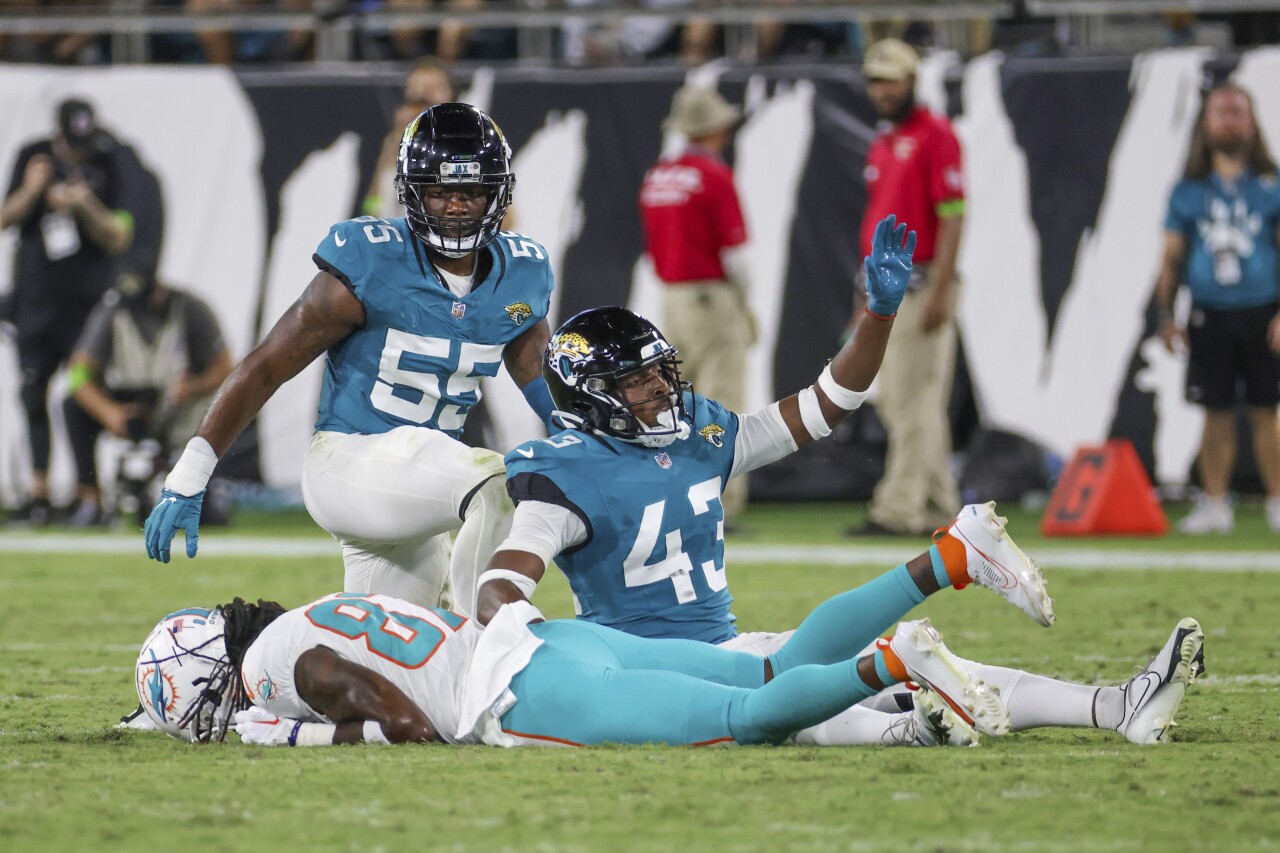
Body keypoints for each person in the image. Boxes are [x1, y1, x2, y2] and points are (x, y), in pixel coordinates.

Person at [472, 219, 1203, 746]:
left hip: (736, 645)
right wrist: (517, 631)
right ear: (595, 397)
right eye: (637, 382)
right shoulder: (563, 471)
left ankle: (1113, 704)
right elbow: (507, 579)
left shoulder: (698, 433)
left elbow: (826, 405)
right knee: (831, 702)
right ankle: (913, 717)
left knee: (941, 670)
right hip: (651, 671)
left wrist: (879, 316)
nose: (663, 391)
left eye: (661, 372)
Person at [142, 103, 559, 620]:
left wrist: (600, 450)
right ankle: (495, 635)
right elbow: (268, 365)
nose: (455, 206)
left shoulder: (520, 272)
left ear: (497, 193)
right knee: (498, 481)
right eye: (439, 191)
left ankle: (277, 689)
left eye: (471, 192)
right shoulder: (370, 259)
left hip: (416, 488)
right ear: (410, 191)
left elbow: (550, 390)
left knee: (395, 654)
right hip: (349, 462)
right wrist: (191, 473)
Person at [136, 589, 1008, 748]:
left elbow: (405, 726)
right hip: (551, 638)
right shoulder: (306, 613)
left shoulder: (279, 671)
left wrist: (299, 738)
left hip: (522, 691)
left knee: (746, 724)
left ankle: (891, 660)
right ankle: (939, 562)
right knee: (766, 669)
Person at [846, 38, 964, 538]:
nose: (882, 89)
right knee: (901, 399)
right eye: (875, 80)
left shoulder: (936, 135)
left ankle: (897, 509)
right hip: (886, 288)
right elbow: (877, 223)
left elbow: (954, 215)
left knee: (912, 398)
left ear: (913, 80)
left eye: (891, 79)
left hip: (921, 285)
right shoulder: (884, 140)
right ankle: (939, 505)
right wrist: (863, 294)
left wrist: (942, 288)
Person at [1, 98, 139, 526]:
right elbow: (5, 218)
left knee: (82, 395)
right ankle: (38, 495)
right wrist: (33, 189)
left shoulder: (108, 162)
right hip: (36, 303)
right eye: (73, 144)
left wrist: (85, 205)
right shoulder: (33, 156)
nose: (81, 153)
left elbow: (119, 236)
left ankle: (89, 495)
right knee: (32, 393)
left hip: (86, 309)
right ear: (58, 135)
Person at [1155, 82, 1280, 534]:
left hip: (1263, 312)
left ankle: (1277, 502)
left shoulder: (1272, 184)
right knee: (1216, 412)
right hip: (1210, 312)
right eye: (1221, 112)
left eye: (1237, 112)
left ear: (1252, 121)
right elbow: (1170, 258)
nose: (1229, 120)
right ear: (1205, 124)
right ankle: (1214, 503)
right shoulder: (1188, 190)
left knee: (1268, 410)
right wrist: (1165, 316)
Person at [639, 84, 757, 526]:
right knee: (721, 403)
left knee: (672, 404)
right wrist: (744, 305)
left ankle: (676, 497)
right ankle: (720, 504)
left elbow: (653, 251)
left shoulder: (657, 175)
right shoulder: (713, 175)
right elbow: (737, 256)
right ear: (717, 129)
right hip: (712, 295)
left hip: (671, 300)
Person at [62, 273, 233, 527]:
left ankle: (198, 493)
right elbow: (78, 372)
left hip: (178, 405)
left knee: (216, 409)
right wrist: (109, 412)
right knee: (73, 406)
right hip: (127, 402)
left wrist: (195, 386)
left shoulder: (191, 309)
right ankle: (90, 499)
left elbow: (225, 365)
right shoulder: (111, 309)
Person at [364, 61, 455, 221]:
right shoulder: (395, 144)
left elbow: (505, 219)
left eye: (432, 88)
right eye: (416, 89)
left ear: (450, 94)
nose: (422, 93)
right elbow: (372, 211)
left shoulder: (467, 144)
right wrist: (387, 155)